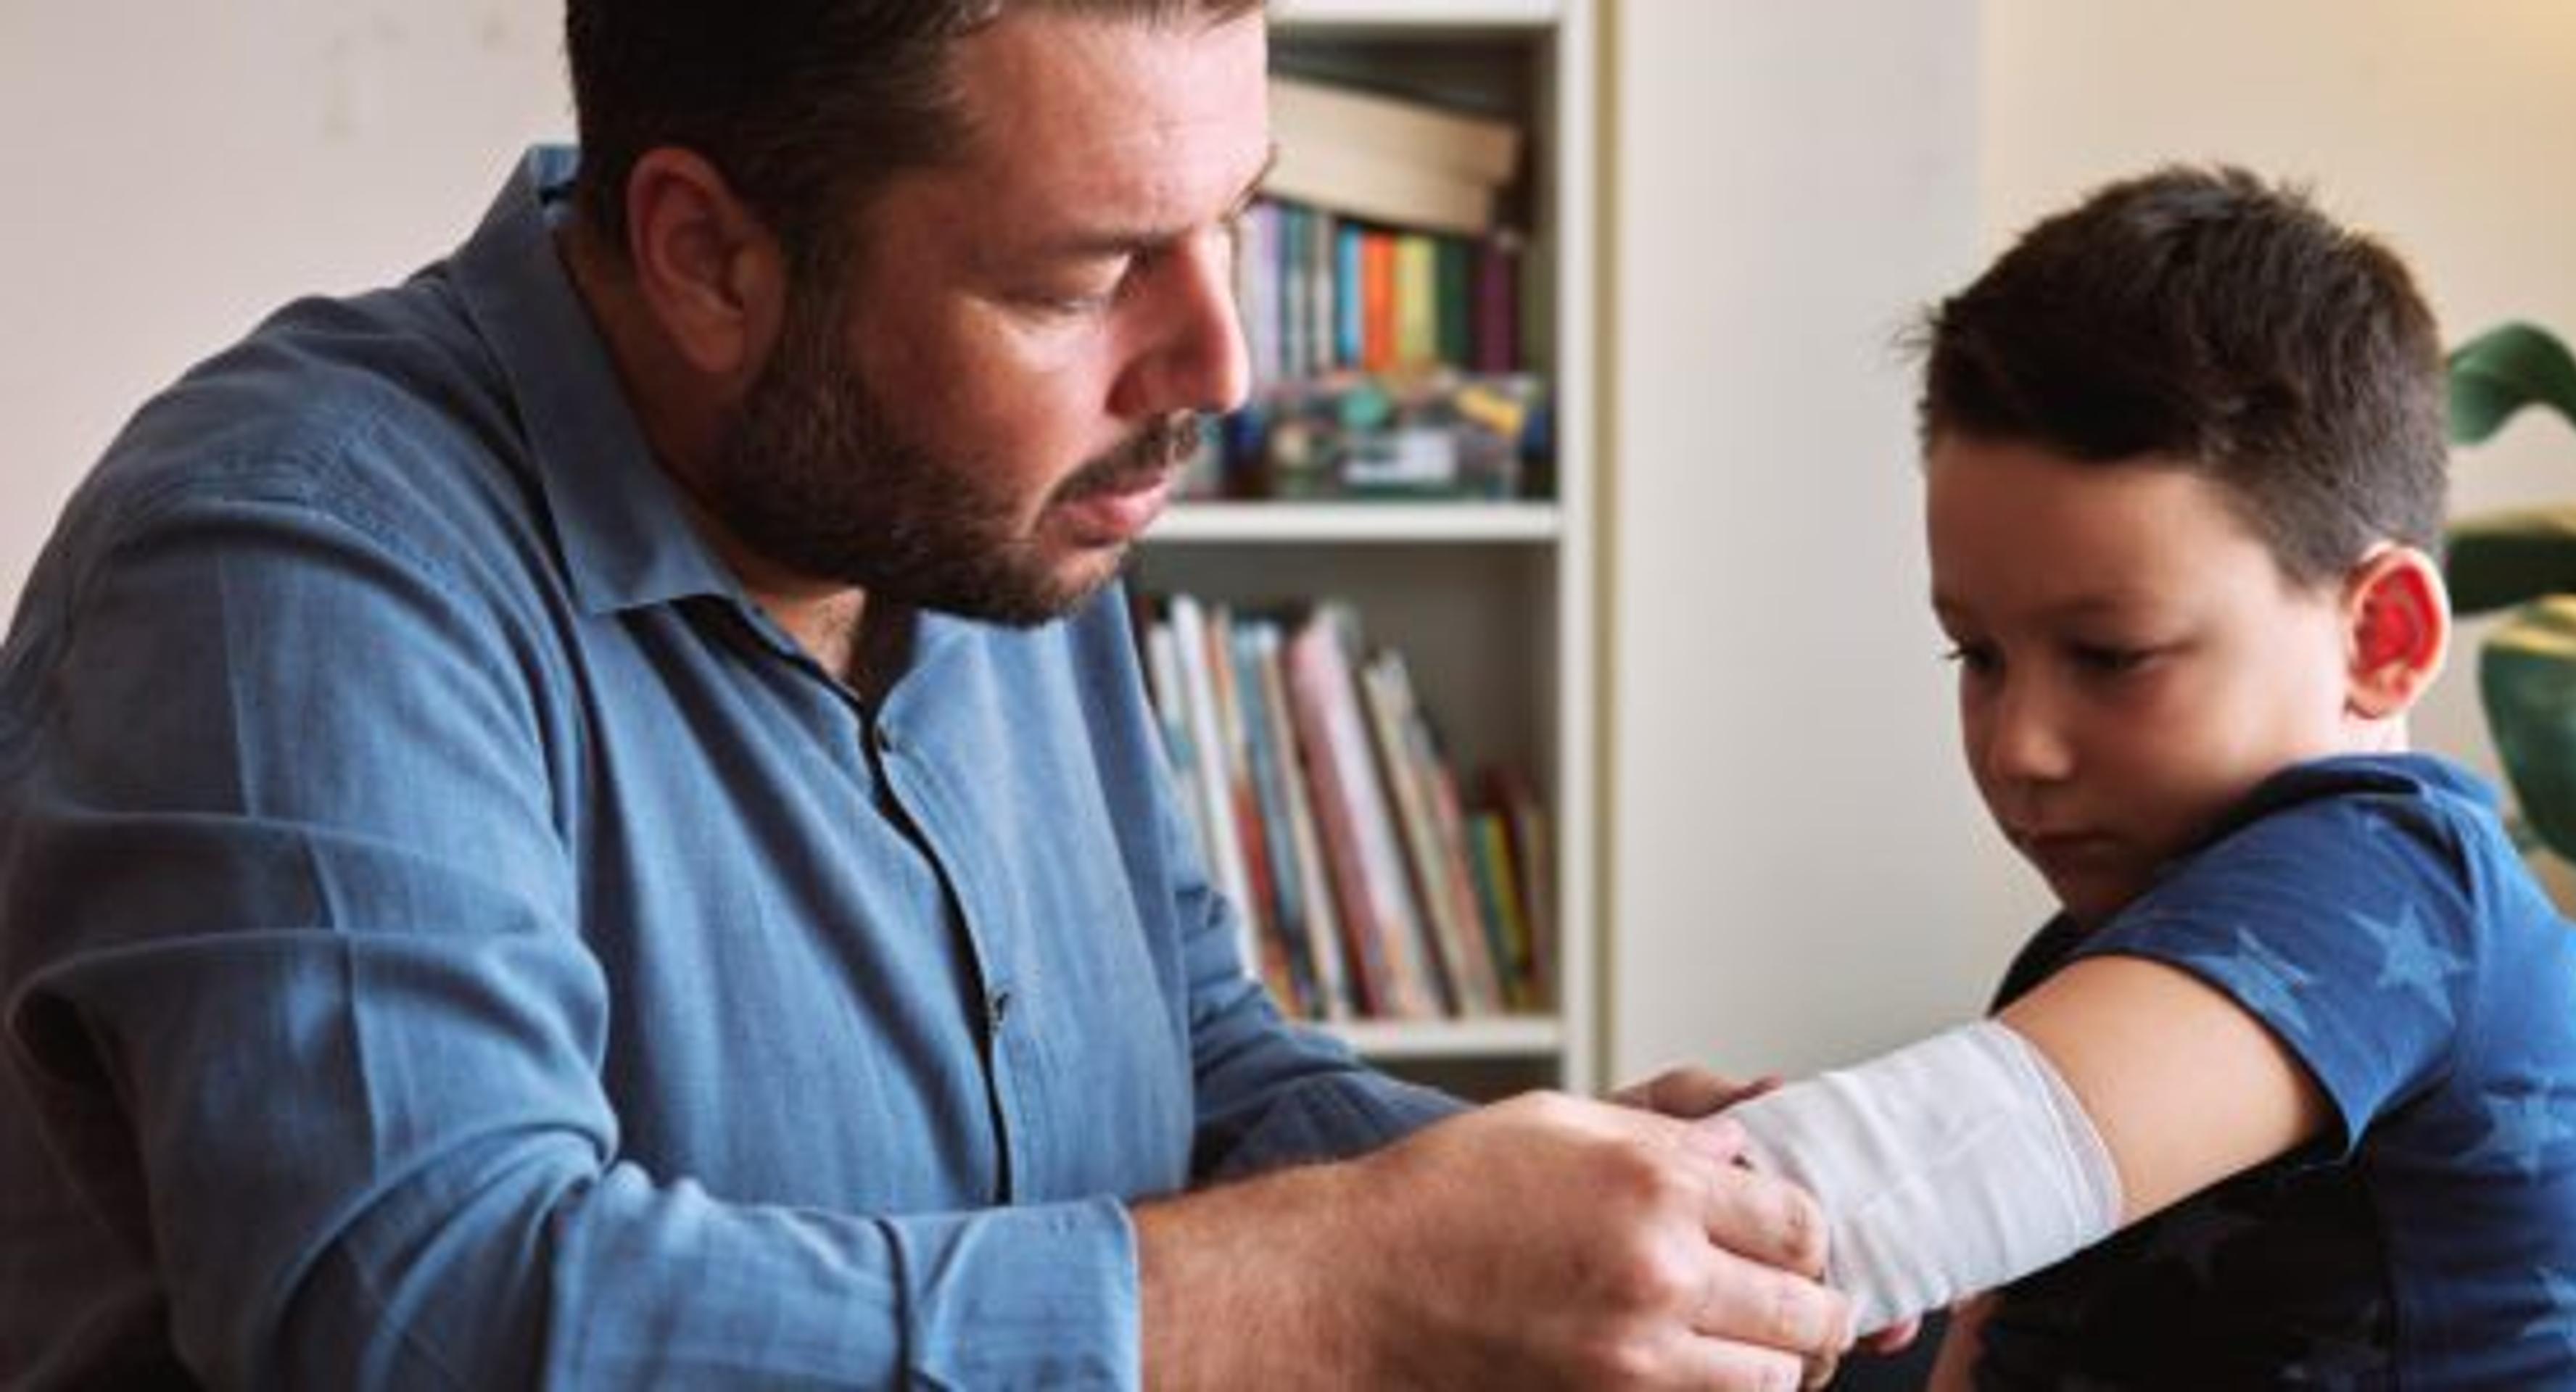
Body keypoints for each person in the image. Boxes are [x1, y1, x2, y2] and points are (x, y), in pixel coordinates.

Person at [0, 2, 1854, 1385]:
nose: (1220, 365)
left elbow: (1182, 1059)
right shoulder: (287, 561)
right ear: (710, 256)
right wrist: (1342, 1280)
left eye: (1235, 226)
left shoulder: (975, 502)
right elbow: (424, 1310)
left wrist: (1573, 1217)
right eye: (1086, 277)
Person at [1725, 165, 2576, 1387]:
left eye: (2112, 656)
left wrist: (1480, 1207)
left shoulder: (2385, 884)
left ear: (2381, 636)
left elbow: (1900, 1183)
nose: (2019, 745)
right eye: (1978, 654)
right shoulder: (2117, 955)